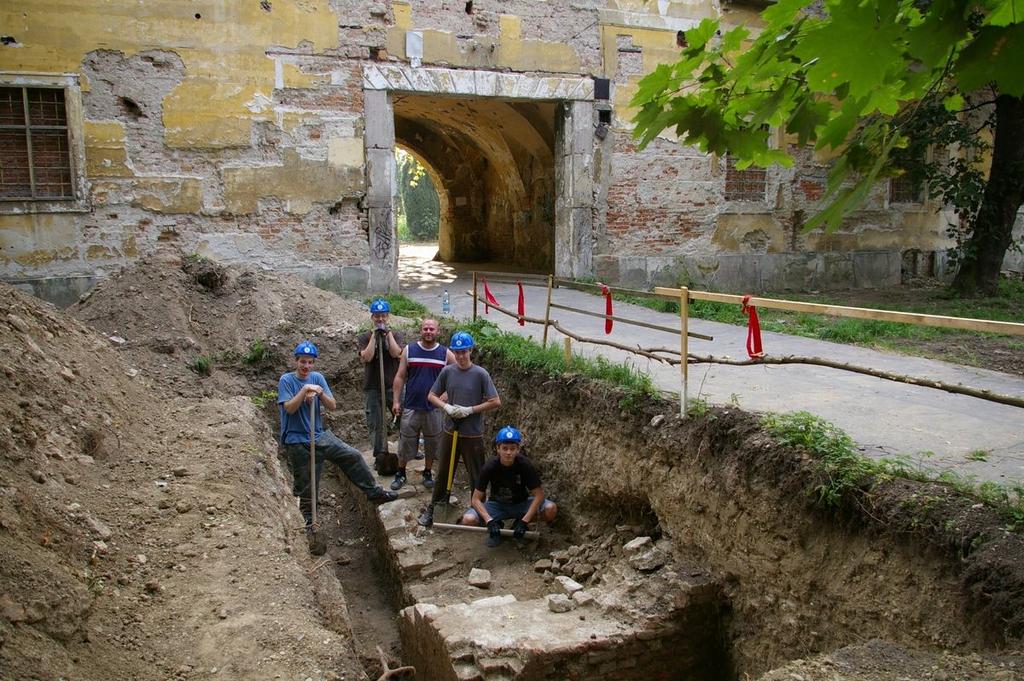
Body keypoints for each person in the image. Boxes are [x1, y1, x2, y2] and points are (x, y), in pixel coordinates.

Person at [279, 340, 397, 528]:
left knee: (352, 455)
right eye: (303, 362)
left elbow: (332, 405)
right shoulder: (286, 380)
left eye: (310, 362)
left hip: (319, 435)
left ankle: (374, 492)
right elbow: (289, 408)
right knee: (308, 486)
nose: (306, 366)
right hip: (297, 440)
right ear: (296, 361)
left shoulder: (317, 378)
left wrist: (319, 394)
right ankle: (309, 524)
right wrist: (304, 391)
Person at [418, 330, 501, 527]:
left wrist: (470, 410)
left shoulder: (481, 374)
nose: (461, 356)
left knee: (477, 474)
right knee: (444, 470)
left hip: (472, 432)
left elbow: (495, 401)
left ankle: (479, 512)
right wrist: (446, 406)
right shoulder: (448, 372)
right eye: (457, 352)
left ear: (471, 350)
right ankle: (435, 506)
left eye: (464, 352)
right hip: (450, 430)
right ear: (453, 353)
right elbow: (432, 395)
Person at [462, 425, 557, 547]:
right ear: (498, 448)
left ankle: (518, 523)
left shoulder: (525, 465)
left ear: (518, 449)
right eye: (504, 448)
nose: (508, 452)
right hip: (497, 506)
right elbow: (475, 499)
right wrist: (489, 521)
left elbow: (539, 496)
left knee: (551, 509)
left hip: (521, 504)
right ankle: (497, 527)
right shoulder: (490, 467)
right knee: (468, 520)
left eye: (512, 448)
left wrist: (524, 521)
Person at [390, 318, 455, 491]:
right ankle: (401, 472)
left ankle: (427, 472)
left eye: (431, 329)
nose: (428, 331)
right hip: (411, 406)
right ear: (421, 330)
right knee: (405, 442)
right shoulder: (409, 350)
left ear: (437, 332)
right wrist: (396, 400)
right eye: (425, 328)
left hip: (433, 409)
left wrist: (444, 398)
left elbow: (456, 377)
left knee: (432, 442)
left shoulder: (445, 353)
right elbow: (400, 376)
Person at [357, 299, 404, 473]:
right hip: (373, 387)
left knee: (402, 418)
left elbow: (396, 352)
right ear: (372, 317)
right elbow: (367, 357)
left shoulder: (396, 335)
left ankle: (405, 451)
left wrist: (387, 334)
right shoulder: (364, 337)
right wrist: (374, 337)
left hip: (393, 385)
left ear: (388, 316)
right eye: (377, 316)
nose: (380, 319)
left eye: (383, 315)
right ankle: (380, 454)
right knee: (376, 423)